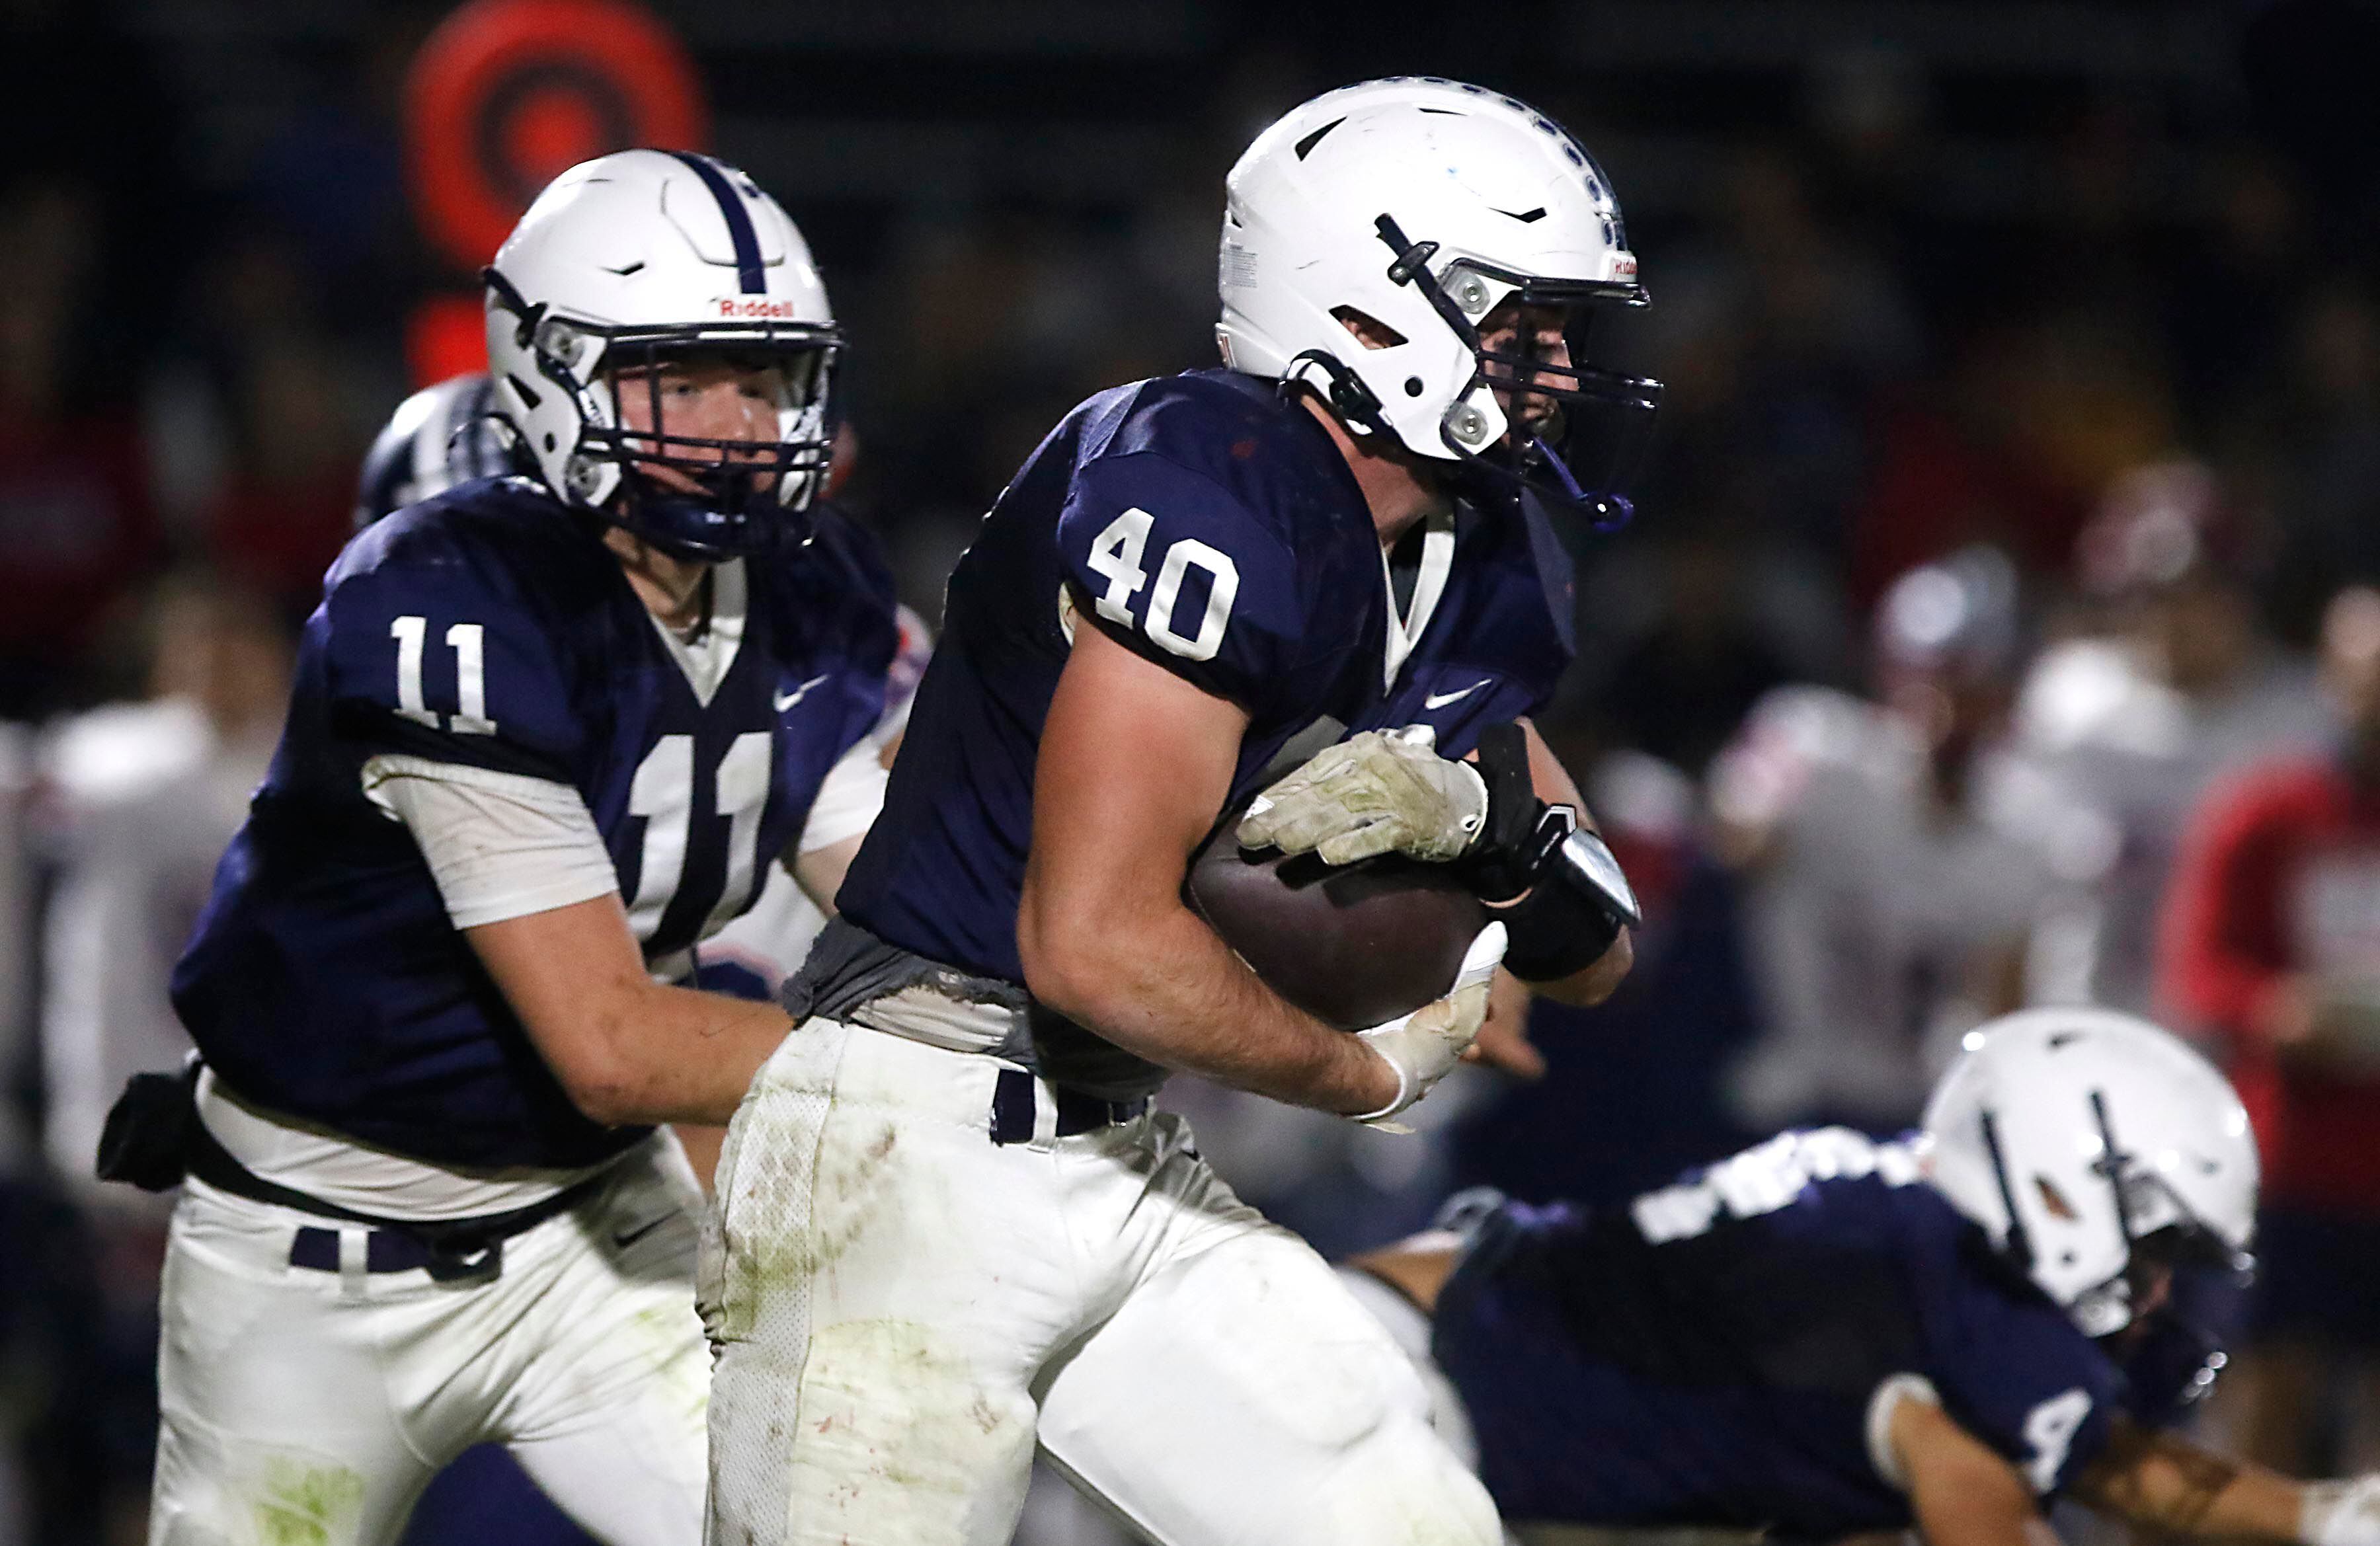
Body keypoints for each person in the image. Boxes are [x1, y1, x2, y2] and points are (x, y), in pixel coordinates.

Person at [702, 77, 1651, 1546]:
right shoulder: (1208, 472)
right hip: (912, 1139)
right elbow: (1093, 942)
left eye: (1563, 332)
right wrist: (1363, 1073)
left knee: (1413, 1521)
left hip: (1118, 1148)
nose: (1556, 368)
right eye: (1518, 322)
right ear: (1371, 305)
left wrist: (1502, 841)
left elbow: (1595, 948)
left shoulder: (1486, 553)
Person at [130, 149, 900, 1546]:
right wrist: (929, 1065)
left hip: (593, 1222)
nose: (738, 425)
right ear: (555, 371)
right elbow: (606, 1039)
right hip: (317, 1260)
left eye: (768, 377)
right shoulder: (447, 594)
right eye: (684, 377)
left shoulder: (808, 584)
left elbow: (911, 900)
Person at [1340, 1008, 2380, 1546]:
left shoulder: (1897, 1215)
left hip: (1390, 1356)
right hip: (1387, 1414)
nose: (2155, 1294)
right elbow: (2070, 1477)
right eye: (2150, 1251)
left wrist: (2323, 1518)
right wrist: (2325, 1521)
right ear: (2058, 1181)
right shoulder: (1944, 1292)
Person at [1710, 545, 2059, 1134]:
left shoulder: (2024, 825)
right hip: (1788, 1086)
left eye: (1976, 683)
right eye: (1935, 676)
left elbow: (2004, 1008)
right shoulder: (1820, 749)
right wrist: (1764, 818)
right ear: (1891, 672)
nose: (1949, 705)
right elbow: (1735, 835)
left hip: (1912, 1110)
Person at [2159, 584, 2380, 1483]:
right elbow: (2201, 967)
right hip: (2294, 1159)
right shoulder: (2268, 810)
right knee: (2269, 1395)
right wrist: (2278, 1012)